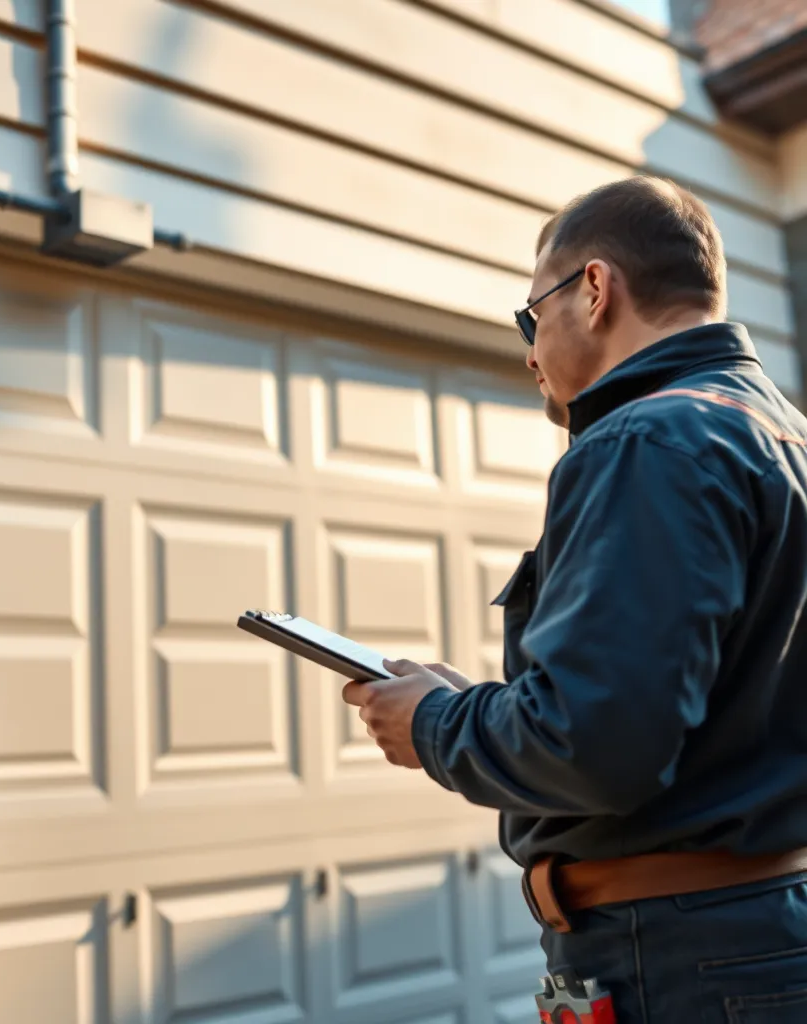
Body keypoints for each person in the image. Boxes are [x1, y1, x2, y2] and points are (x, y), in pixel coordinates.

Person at [341, 175, 807, 1022]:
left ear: (594, 290)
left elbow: (595, 744)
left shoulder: (646, 442)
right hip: (763, 935)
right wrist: (476, 705)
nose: (528, 352)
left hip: (679, 959)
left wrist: (433, 724)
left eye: (530, 317)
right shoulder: (784, 439)